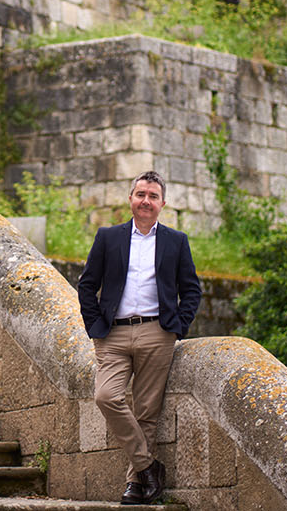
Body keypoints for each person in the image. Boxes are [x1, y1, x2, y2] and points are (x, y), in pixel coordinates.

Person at [77, 170, 202, 505]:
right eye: (140, 194)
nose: (146, 201)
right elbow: (87, 284)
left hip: (156, 332)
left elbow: (191, 290)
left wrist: (178, 326)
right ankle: (148, 467)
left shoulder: (177, 241)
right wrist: (94, 325)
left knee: (147, 411)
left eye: (153, 196)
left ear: (163, 203)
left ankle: (135, 484)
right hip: (113, 334)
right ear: (130, 199)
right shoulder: (108, 237)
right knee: (107, 397)